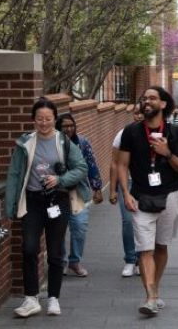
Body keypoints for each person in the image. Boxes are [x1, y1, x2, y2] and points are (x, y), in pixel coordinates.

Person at [5, 98, 89, 317]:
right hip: (32, 201)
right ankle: (31, 298)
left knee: (55, 251)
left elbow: (81, 168)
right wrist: (11, 205)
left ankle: (53, 298)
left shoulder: (63, 142)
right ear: (33, 119)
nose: (43, 123)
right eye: (39, 119)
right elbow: (14, 175)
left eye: (48, 119)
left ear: (55, 119)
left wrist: (59, 180)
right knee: (29, 248)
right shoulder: (24, 143)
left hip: (57, 200)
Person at [117, 86, 178, 316]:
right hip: (140, 197)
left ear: (163, 104)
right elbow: (121, 165)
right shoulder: (130, 132)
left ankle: (155, 289)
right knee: (144, 249)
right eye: (144, 98)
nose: (146, 101)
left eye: (152, 98)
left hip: (169, 195)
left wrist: (167, 153)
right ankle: (150, 297)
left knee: (161, 246)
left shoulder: (177, 133)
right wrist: (126, 193)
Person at [56, 114, 103, 278]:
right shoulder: (52, 144)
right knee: (58, 229)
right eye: (64, 126)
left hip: (77, 192)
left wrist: (97, 187)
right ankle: (61, 261)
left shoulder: (82, 142)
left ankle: (74, 261)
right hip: (57, 192)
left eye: (71, 125)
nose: (68, 129)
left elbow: (92, 165)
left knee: (79, 226)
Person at [109, 102, 145, 277]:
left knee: (144, 222)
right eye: (136, 113)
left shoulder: (154, 133)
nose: (138, 116)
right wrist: (113, 190)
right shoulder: (123, 134)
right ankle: (130, 259)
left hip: (147, 185)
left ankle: (142, 259)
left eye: (142, 113)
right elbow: (115, 163)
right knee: (128, 222)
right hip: (128, 184)